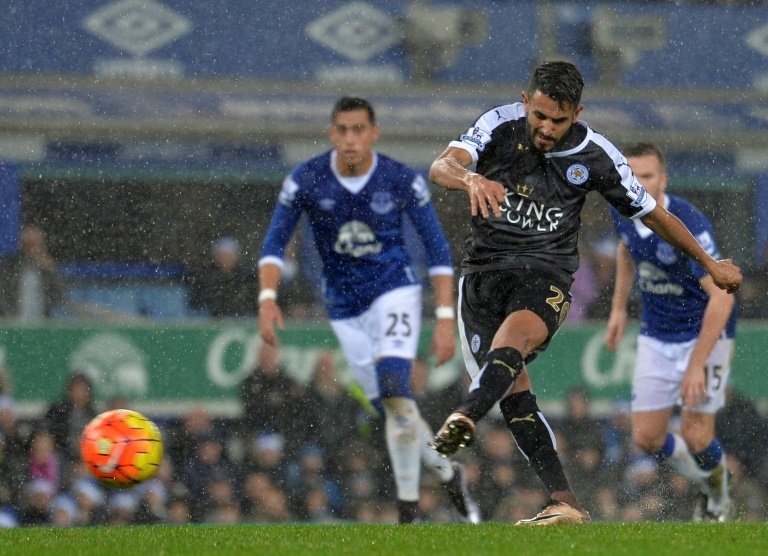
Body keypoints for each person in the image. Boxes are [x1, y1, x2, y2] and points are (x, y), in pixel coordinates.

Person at [427, 61, 742, 525]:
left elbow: (654, 215)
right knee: (515, 397)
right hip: (482, 278)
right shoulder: (496, 124)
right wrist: (471, 178)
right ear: (525, 101)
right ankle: (566, 503)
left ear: (577, 111)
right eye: (539, 116)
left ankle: (466, 414)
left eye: (559, 119)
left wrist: (710, 264)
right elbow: (441, 165)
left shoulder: (597, 156)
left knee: (512, 343)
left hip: (545, 276)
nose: (547, 128)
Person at [258, 96, 480, 524]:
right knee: (394, 410)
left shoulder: (400, 180)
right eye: (342, 130)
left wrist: (445, 321)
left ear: (374, 133)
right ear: (331, 133)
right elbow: (273, 244)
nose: (350, 138)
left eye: (359, 129)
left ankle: (408, 510)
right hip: (344, 307)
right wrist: (267, 300)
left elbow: (437, 249)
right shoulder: (306, 180)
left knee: (397, 390)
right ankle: (448, 472)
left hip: (394, 292)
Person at [604, 142, 739, 522]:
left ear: (663, 179)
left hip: (706, 333)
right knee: (646, 437)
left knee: (697, 436)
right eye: (632, 177)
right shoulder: (623, 210)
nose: (639, 185)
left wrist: (697, 365)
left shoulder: (688, 223)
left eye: (647, 177)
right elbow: (626, 251)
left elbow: (723, 299)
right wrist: (617, 309)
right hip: (657, 331)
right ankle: (714, 476)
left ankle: (717, 497)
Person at [0, 224, 64, 320]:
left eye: (34, 245)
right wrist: (9, 315)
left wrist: (50, 270)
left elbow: (58, 297)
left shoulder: (46, 268)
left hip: (41, 324)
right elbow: (4, 294)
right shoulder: (10, 267)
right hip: (13, 323)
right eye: (27, 245)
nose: (30, 250)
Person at [185, 236, 256, 318]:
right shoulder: (206, 277)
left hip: (240, 319)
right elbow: (196, 302)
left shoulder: (246, 277)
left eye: (229, 255)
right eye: (222, 255)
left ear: (237, 257)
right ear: (216, 257)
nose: (226, 259)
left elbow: (251, 303)